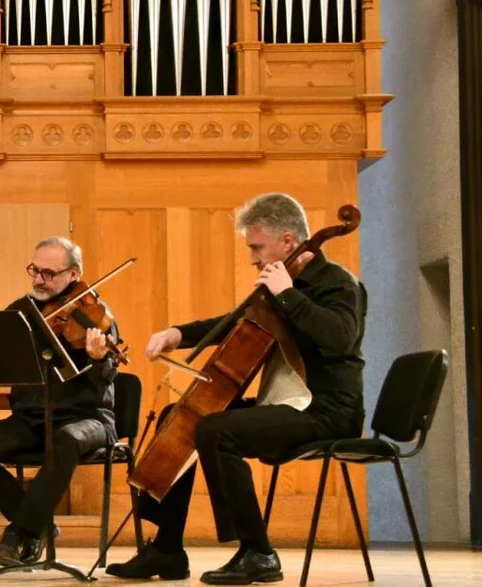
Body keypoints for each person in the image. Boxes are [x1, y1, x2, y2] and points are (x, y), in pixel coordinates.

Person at [106, 193, 367, 585]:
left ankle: (258, 552)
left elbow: (341, 338)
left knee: (215, 430)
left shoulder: (338, 284)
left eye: (256, 247)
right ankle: (167, 549)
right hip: (289, 403)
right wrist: (178, 333)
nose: (252, 258)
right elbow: (234, 322)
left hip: (329, 410)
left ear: (287, 242)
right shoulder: (282, 286)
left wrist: (288, 295)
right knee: (179, 417)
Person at [0, 236, 121, 564]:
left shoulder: (94, 315)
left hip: (88, 418)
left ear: (74, 274)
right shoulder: (20, 312)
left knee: (65, 439)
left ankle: (22, 534)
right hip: (31, 419)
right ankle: (39, 521)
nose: (39, 280)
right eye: (35, 270)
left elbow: (109, 375)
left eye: (49, 273)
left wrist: (100, 358)